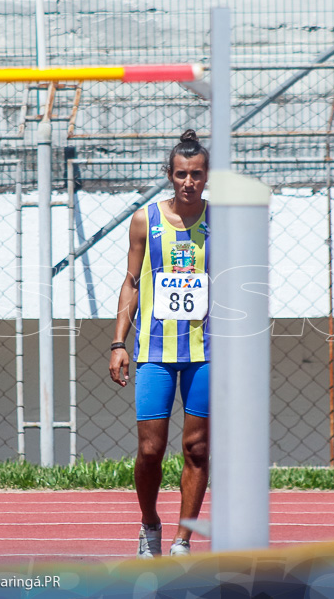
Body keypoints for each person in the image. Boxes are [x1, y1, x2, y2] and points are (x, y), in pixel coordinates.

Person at [108, 129, 211, 559]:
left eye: (197, 175)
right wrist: (119, 342)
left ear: (207, 177)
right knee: (150, 449)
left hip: (207, 353)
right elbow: (131, 283)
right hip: (154, 351)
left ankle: (183, 541)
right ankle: (150, 523)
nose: (189, 182)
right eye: (182, 174)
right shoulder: (144, 220)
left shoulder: (220, 220)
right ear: (169, 175)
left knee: (197, 448)